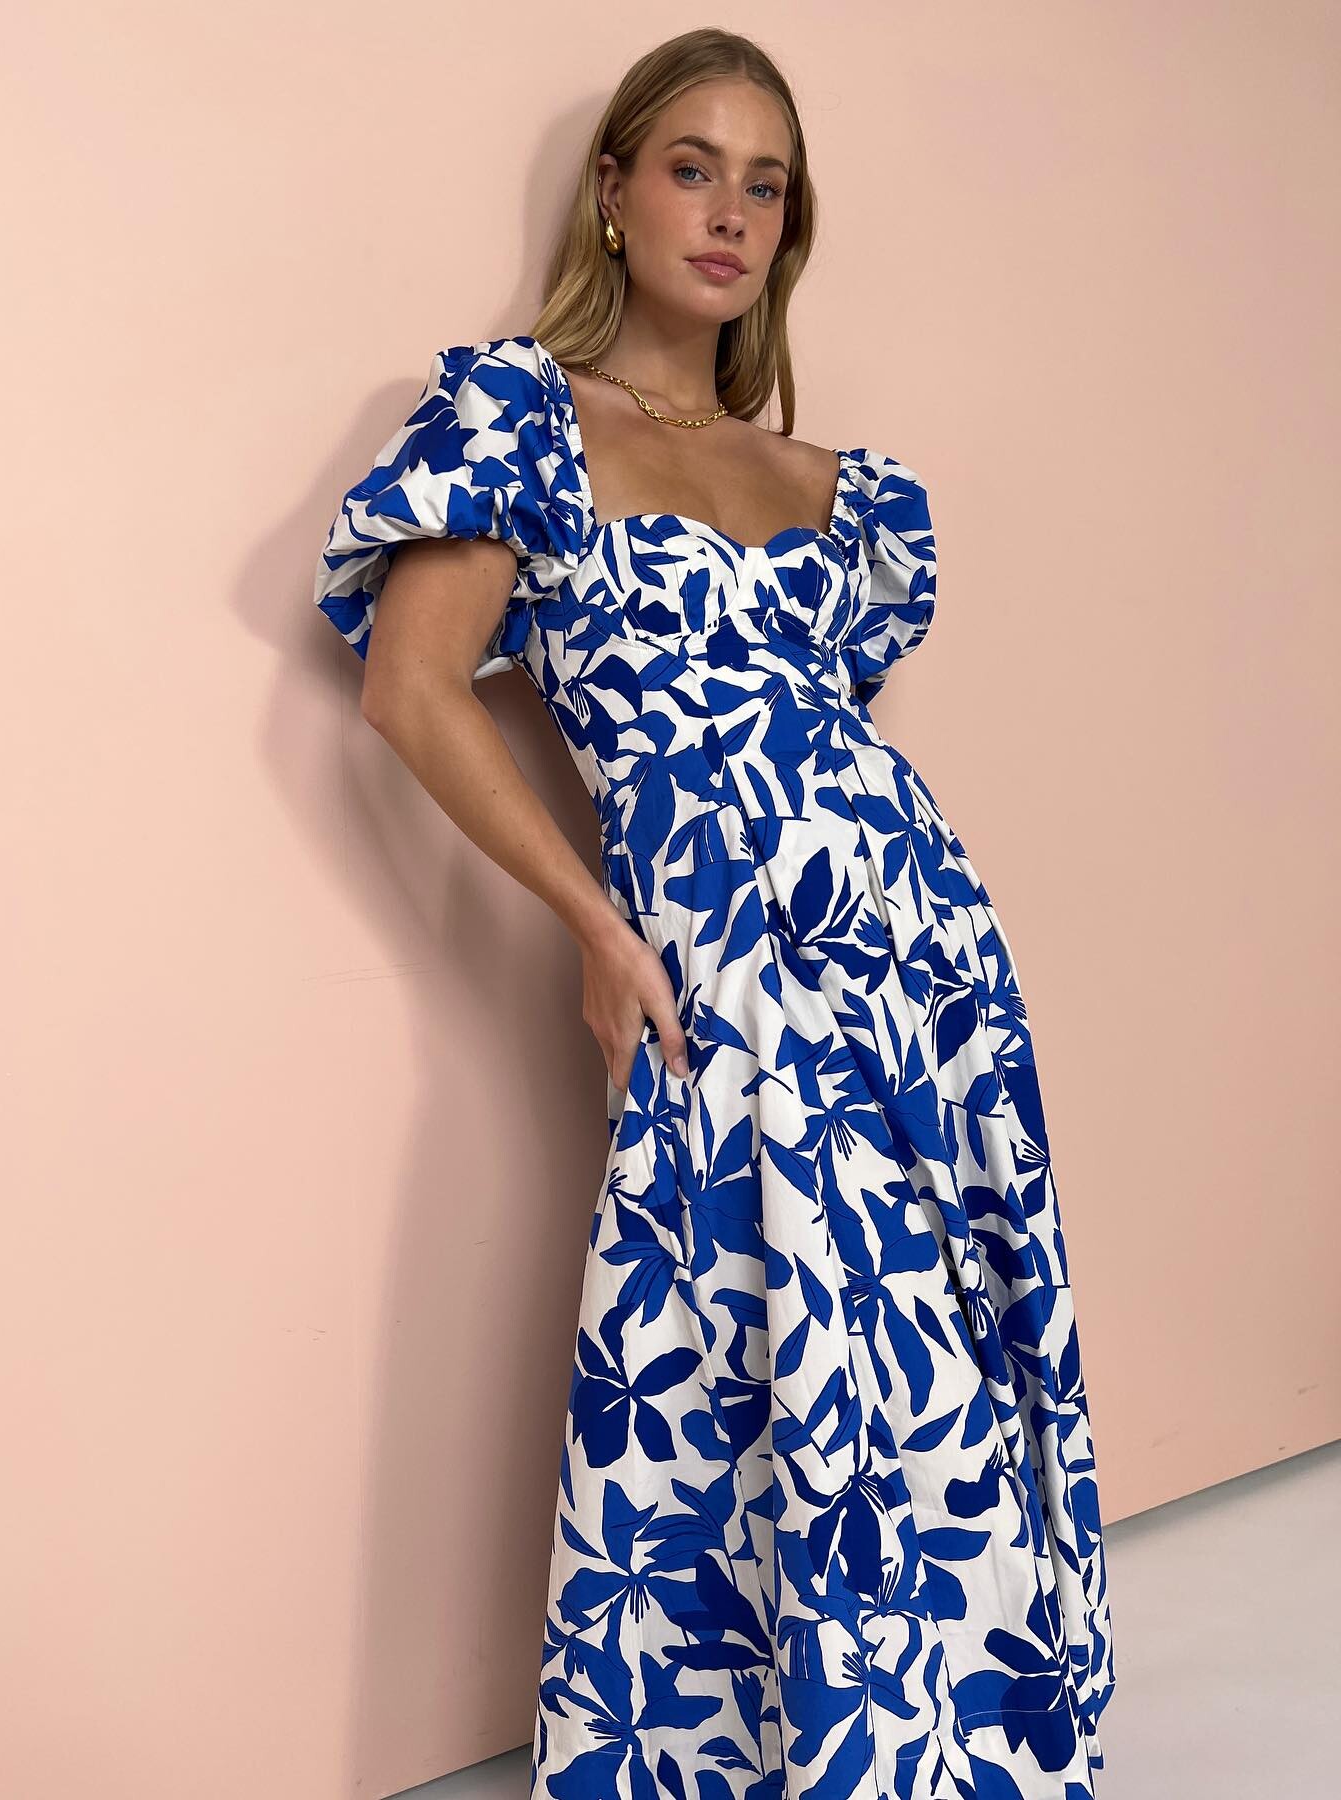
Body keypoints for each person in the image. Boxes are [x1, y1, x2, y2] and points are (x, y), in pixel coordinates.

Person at [312, 26, 1116, 1800]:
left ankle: (957, 1755)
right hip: (716, 969)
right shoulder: (518, 419)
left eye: (768, 185)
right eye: (694, 168)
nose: (732, 212)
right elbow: (412, 691)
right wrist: (598, 928)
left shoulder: (838, 492)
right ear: (614, 191)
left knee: (931, 1366)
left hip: (920, 963)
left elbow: (821, 747)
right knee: (741, 1359)